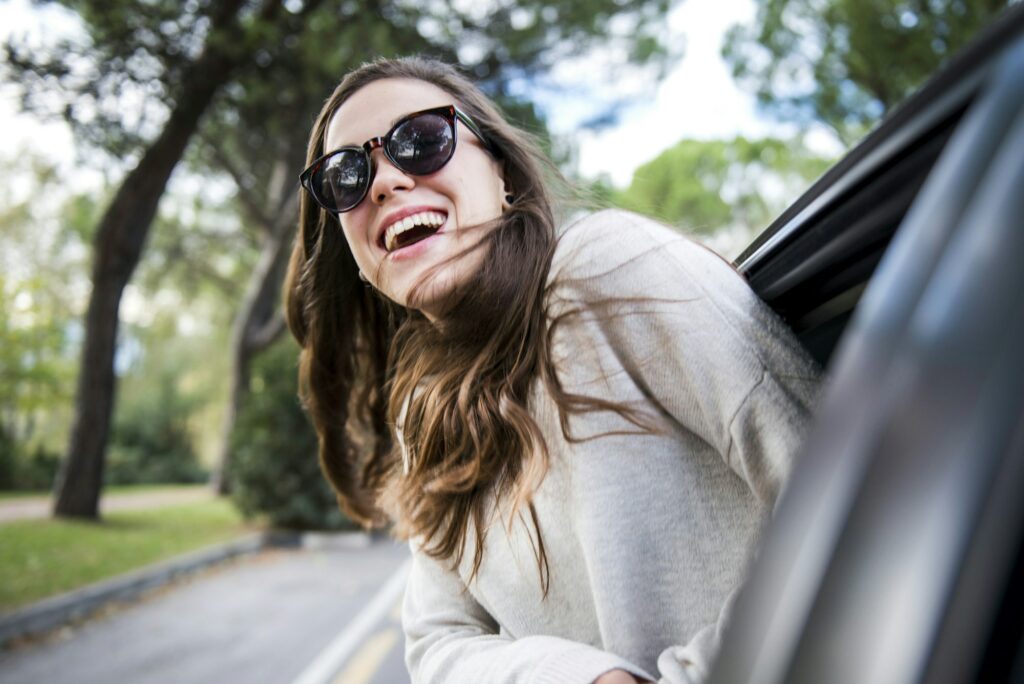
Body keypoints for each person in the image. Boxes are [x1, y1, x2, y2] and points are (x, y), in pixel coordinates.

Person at [284, 56, 820, 684]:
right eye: (346, 175)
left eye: (422, 141)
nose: (384, 183)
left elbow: (836, 481)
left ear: (502, 173)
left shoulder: (605, 270)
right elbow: (436, 641)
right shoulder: (421, 414)